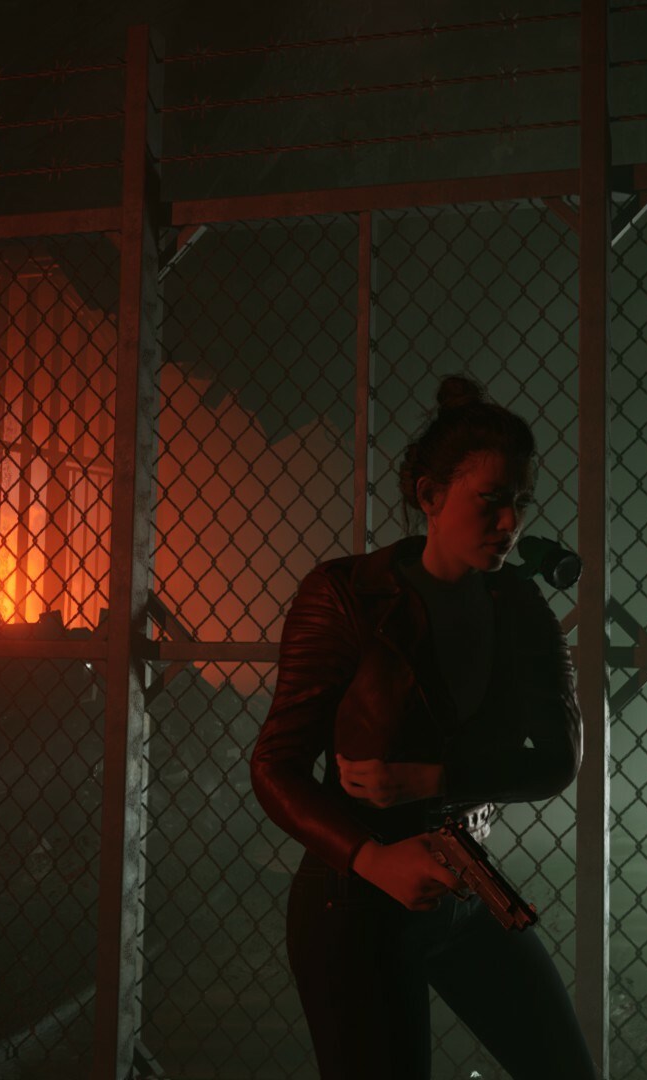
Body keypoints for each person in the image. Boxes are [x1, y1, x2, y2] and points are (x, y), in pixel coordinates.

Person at [250, 374, 598, 1080]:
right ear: (430, 496)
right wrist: (374, 859)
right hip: (356, 903)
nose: (510, 523)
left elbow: (560, 760)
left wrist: (438, 779)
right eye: (490, 500)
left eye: (521, 503)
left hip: (467, 886)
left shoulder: (518, 606)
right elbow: (274, 767)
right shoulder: (347, 595)